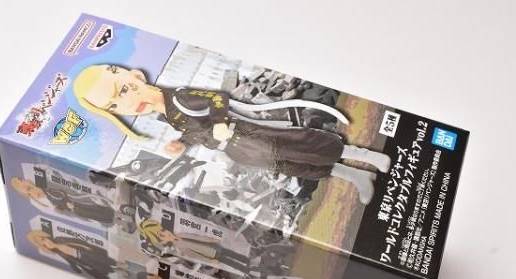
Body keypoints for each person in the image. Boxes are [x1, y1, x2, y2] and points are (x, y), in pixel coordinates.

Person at [73, 65, 392, 204]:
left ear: (136, 76)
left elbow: (217, 99)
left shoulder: (179, 96)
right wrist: (182, 142)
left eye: (124, 89)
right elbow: (196, 131)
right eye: (115, 104)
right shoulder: (167, 113)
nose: (128, 102)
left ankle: (368, 157)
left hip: (253, 133)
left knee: (307, 146)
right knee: (298, 166)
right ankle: (356, 176)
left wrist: (221, 121)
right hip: (241, 150)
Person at [139, 219, 251, 275]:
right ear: (162, 241)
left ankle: (247, 261)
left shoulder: (181, 234)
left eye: (163, 230)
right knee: (230, 262)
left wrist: (211, 240)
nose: (166, 233)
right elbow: (196, 256)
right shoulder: (179, 249)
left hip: (213, 246)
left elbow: (197, 237)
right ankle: (246, 270)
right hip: (211, 254)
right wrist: (210, 261)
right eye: (161, 235)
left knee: (232, 254)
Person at [11, 177, 116, 225]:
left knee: (91, 207)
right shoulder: (37, 202)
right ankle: (109, 218)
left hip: (74, 201)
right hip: (70, 209)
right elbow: (53, 211)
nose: (33, 193)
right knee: (89, 214)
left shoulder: (47, 187)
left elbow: (62, 192)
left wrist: (68, 201)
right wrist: (58, 209)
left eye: (29, 188)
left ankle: (111, 212)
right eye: (29, 194)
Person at [27, 230, 117, 279]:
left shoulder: (59, 239)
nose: (46, 242)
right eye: (43, 243)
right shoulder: (57, 251)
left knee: (102, 259)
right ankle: (112, 272)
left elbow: (74, 240)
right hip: (80, 259)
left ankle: (117, 265)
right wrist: (74, 267)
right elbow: (68, 259)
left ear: (46, 236)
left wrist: (85, 245)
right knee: (97, 266)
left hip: (83, 251)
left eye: (43, 239)